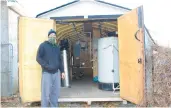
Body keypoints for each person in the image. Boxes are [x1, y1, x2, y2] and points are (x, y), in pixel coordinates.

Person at [36, 29, 65, 107]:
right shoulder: (43, 45)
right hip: (47, 73)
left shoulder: (57, 47)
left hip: (56, 73)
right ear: (48, 36)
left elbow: (60, 60)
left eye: (54, 36)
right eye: (51, 36)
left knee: (55, 93)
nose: (53, 37)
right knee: (45, 94)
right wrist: (46, 66)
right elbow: (38, 58)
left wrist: (62, 71)